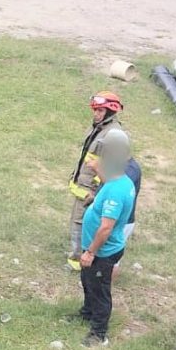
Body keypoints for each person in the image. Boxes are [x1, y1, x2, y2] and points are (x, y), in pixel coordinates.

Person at [78, 128, 135, 347]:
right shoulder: (119, 180)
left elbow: (105, 228)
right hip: (96, 249)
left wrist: (90, 253)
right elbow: (109, 183)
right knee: (88, 281)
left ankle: (99, 334)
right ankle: (87, 313)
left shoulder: (117, 191)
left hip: (102, 251)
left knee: (100, 290)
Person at [67, 91, 125, 272]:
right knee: (80, 223)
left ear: (110, 111)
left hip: (92, 190)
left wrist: (98, 189)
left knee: (81, 224)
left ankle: (78, 262)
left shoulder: (114, 134)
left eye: (100, 110)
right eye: (95, 110)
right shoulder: (99, 128)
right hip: (84, 187)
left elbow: (114, 169)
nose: (96, 114)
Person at [112, 157, 141, 282]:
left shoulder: (130, 169)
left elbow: (117, 189)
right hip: (118, 219)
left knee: (111, 258)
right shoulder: (119, 164)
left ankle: (104, 287)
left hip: (122, 221)